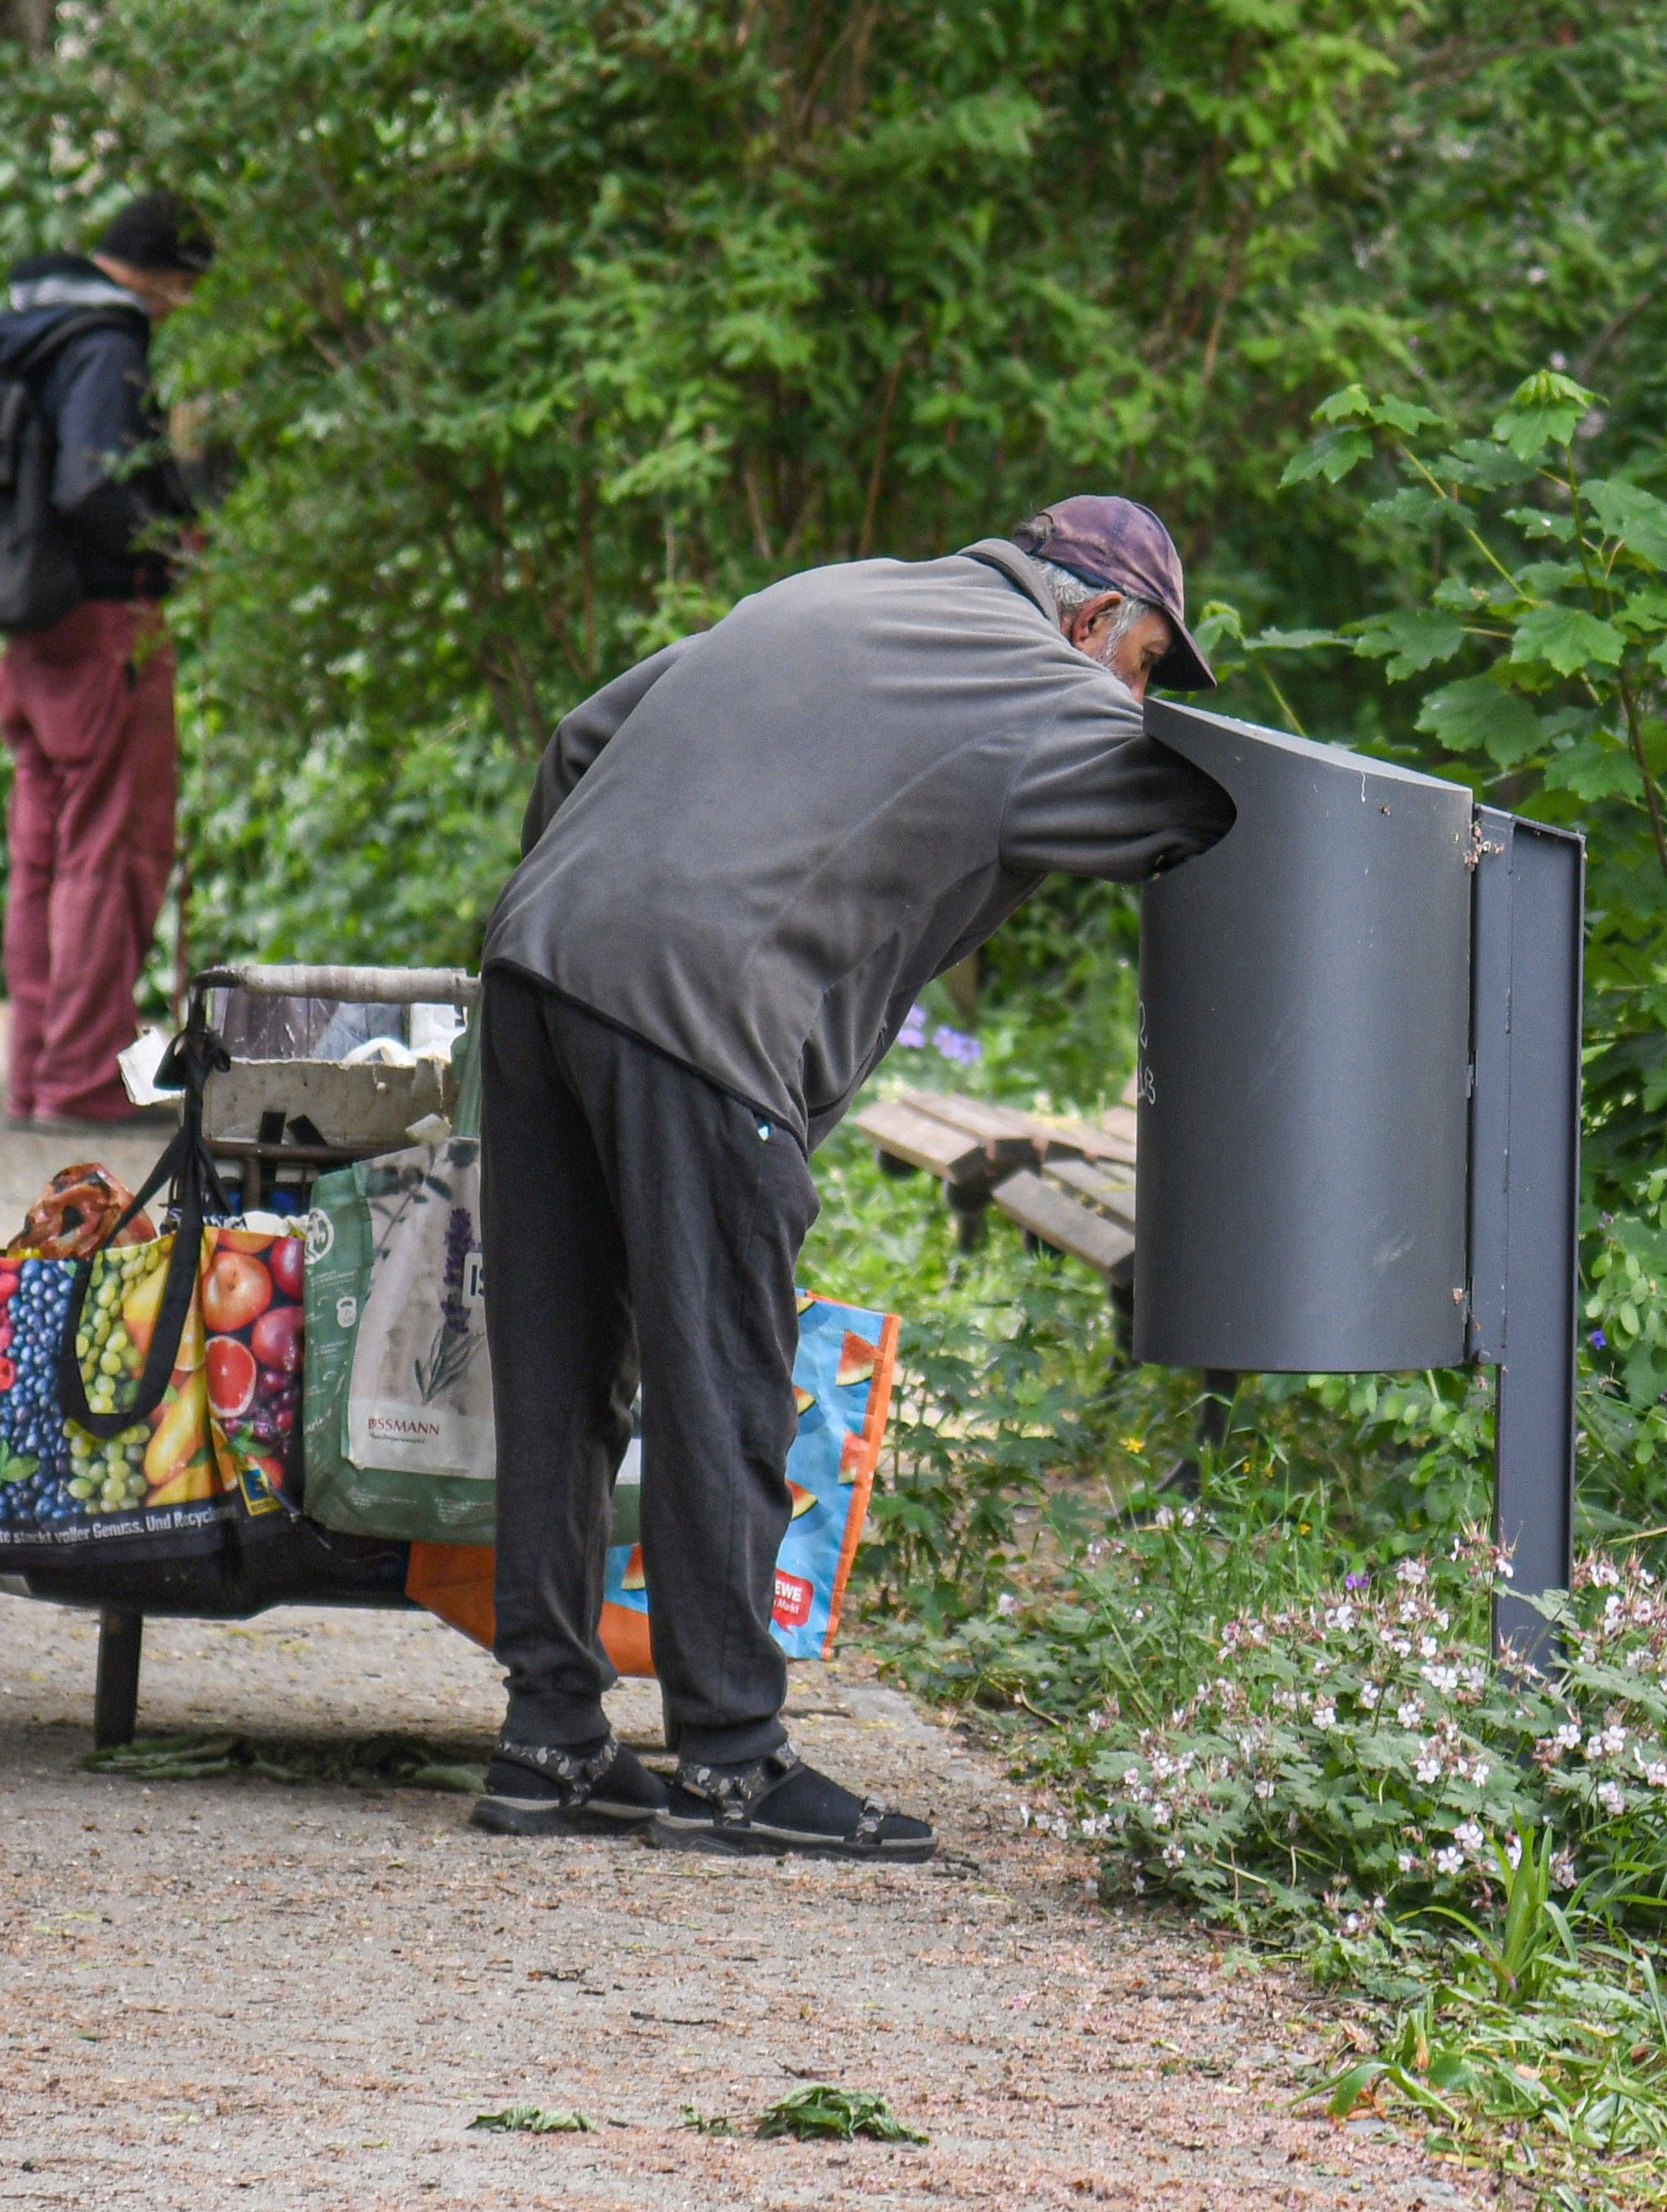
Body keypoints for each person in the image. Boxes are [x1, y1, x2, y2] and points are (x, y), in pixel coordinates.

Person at [470, 496, 1234, 1861]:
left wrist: (577, 934)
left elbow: (581, 736)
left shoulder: (833, 592)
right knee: (722, 1378)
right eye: (1144, 668)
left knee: (562, 1371)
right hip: (703, 1008)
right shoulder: (1037, 672)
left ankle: (548, 1744)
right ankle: (731, 1764)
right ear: (1091, 618)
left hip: (540, 964)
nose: (1134, 700)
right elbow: (1207, 811)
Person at [0, 191, 212, 1131]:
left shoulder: (35, 335)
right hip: (108, 625)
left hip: (31, 631)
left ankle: (38, 1074)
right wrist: (171, 546)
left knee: (43, 857)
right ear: (161, 274)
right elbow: (90, 480)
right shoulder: (108, 347)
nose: (180, 307)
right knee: (110, 858)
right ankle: (80, 1082)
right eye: (184, 286)